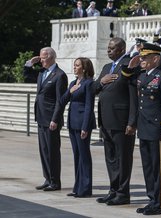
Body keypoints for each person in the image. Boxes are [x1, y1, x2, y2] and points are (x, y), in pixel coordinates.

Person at [122, 42, 161, 215]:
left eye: (145, 57)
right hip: (144, 127)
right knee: (147, 167)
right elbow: (127, 79)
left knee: (157, 167)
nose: (142, 60)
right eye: (141, 57)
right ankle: (152, 200)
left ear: (156, 58)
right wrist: (130, 66)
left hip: (157, 129)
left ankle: (160, 203)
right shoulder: (142, 76)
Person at [93, 37, 137, 205]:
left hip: (121, 121)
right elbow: (94, 88)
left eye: (112, 48)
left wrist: (132, 122)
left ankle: (123, 193)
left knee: (123, 158)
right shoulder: (106, 67)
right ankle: (113, 190)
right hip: (106, 120)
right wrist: (102, 81)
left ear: (121, 49)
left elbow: (134, 95)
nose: (108, 50)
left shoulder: (129, 64)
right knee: (110, 158)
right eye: (108, 48)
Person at [23, 47, 68, 191]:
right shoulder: (42, 72)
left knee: (52, 151)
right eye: (40, 57)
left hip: (51, 119)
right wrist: (30, 63)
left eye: (43, 58)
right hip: (41, 117)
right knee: (43, 150)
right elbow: (27, 76)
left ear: (51, 57)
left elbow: (60, 101)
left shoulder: (59, 75)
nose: (41, 60)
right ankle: (47, 178)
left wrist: (55, 119)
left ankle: (55, 181)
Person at [60, 58, 96, 198]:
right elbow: (62, 101)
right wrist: (70, 91)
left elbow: (89, 106)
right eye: (74, 65)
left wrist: (85, 126)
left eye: (77, 65)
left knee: (84, 155)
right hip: (72, 122)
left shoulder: (89, 83)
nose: (74, 68)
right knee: (77, 155)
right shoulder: (73, 83)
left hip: (82, 123)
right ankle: (77, 187)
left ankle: (86, 188)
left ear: (84, 68)